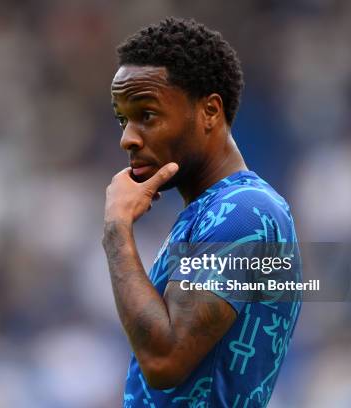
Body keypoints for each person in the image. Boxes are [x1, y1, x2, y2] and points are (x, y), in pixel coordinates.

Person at [102, 17, 301, 407]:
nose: (128, 137)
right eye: (124, 119)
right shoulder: (211, 212)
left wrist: (116, 230)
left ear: (210, 111)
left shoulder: (244, 212)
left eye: (147, 115)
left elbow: (166, 359)